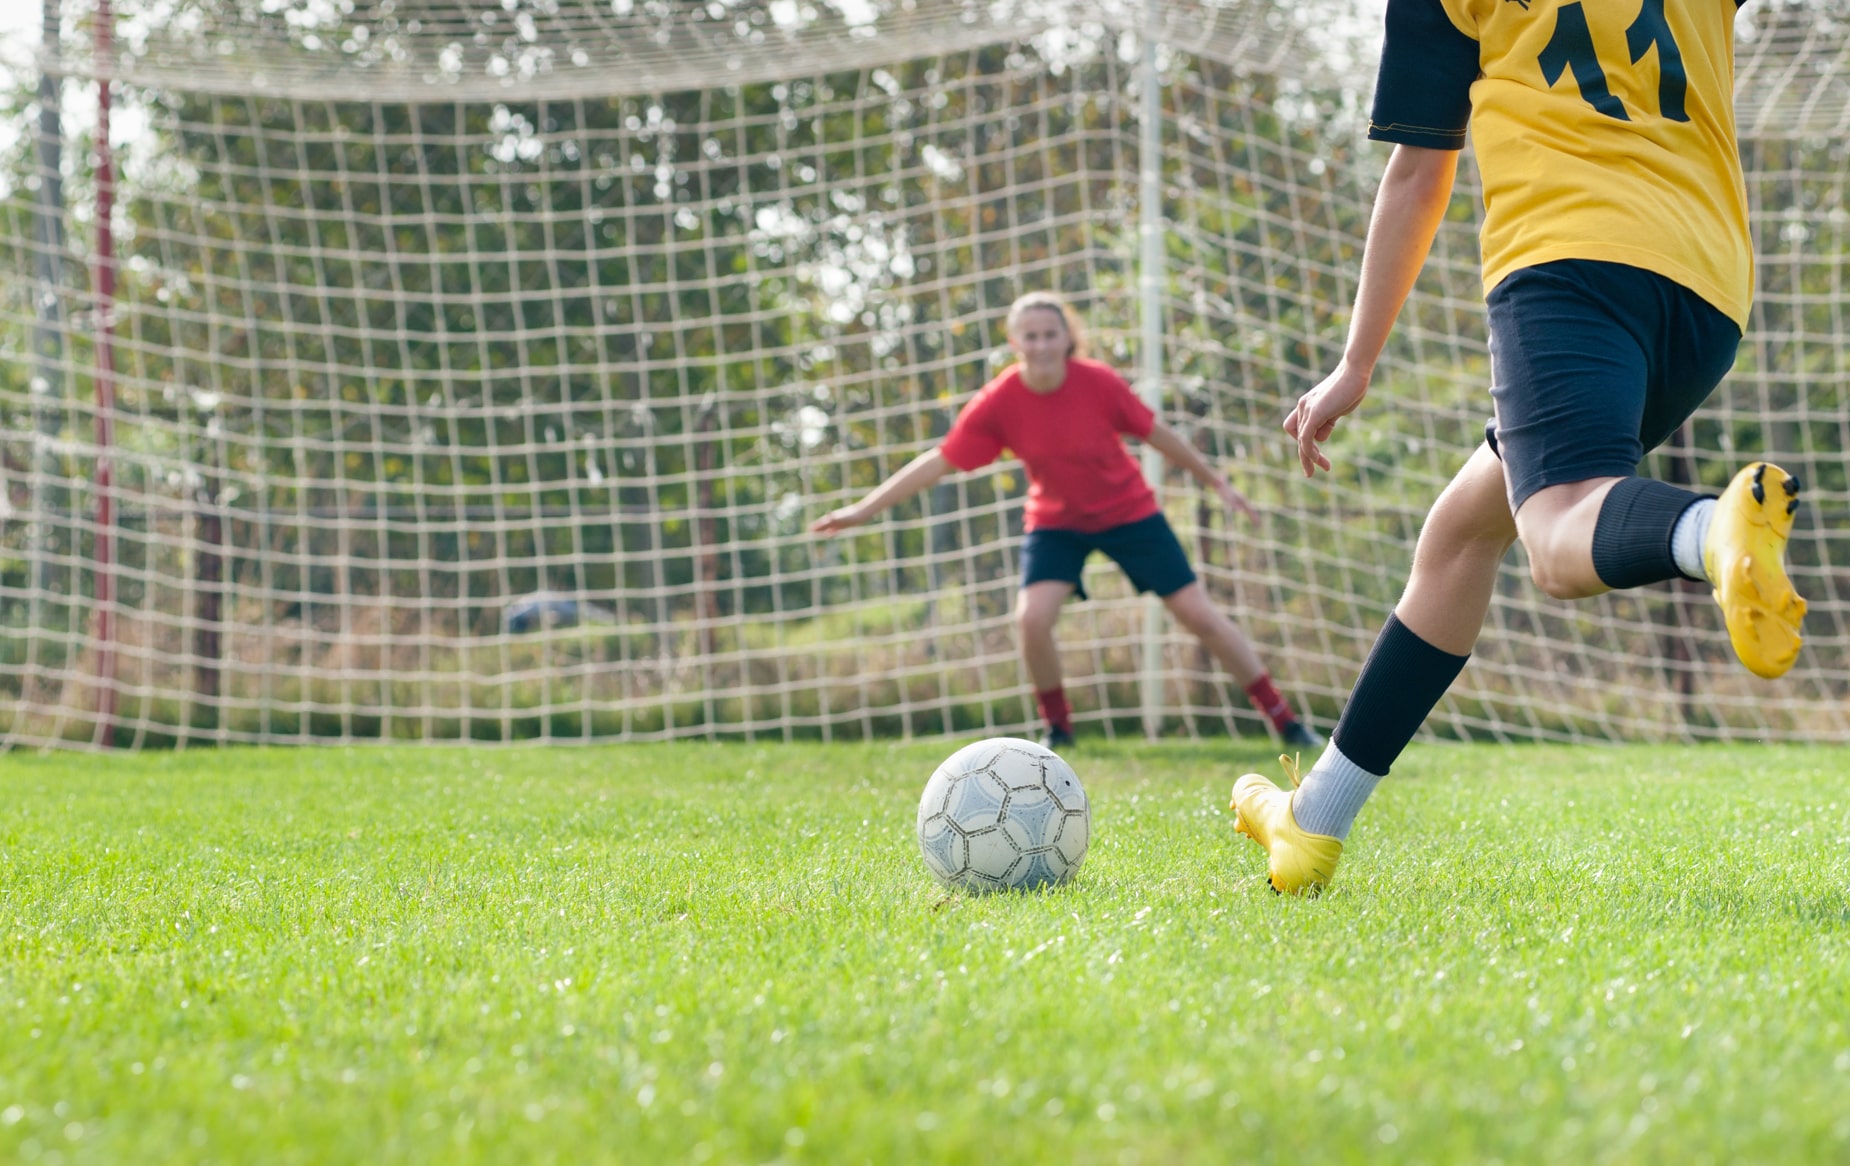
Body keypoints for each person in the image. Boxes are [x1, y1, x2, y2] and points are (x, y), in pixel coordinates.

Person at [1230, 0, 1807, 894]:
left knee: (1559, 535)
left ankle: (1711, 533)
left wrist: (1356, 363)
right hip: (1710, 291)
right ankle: (1314, 822)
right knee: (1462, 533)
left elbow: (1420, 172)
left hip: (1569, 264)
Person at [811, 291, 1321, 751]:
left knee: (1199, 616)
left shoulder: (1098, 382)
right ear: (1015, 342)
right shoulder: (1000, 400)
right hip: (1056, 522)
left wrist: (1217, 483)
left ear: (1066, 338)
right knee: (1031, 620)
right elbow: (941, 460)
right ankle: (1058, 730)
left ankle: (1286, 721)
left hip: (1129, 513)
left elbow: (1158, 433)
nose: (1040, 345)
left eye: (1049, 334)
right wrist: (863, 510)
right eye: (1030, 336)